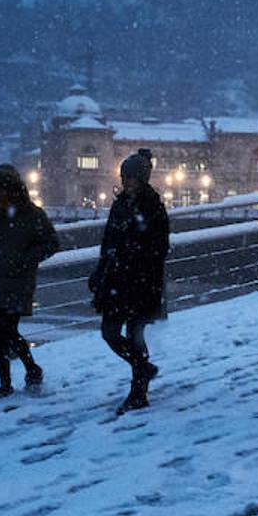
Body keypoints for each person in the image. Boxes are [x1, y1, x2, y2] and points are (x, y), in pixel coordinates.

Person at [0, 164, 60, 398]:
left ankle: (24, 373)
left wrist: (25, 259)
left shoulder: (32, 216)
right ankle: (11, 380)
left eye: (2, 190)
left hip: (18, 281)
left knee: (7, 330)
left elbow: (52, 243)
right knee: (0, 332)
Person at [89, 149, 170, 414]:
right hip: (116, 279)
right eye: (125, 178)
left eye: (132, 178)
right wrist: (101, 270)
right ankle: (144, 369)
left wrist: (134, 254)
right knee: (110, 333)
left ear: (142, 178)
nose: (127, 182)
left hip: (140, 281)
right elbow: (108, 242)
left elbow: (159, 247)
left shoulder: (153, 207)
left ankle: (138, 392)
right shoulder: (120, 204)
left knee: (135, 335)